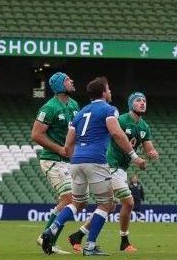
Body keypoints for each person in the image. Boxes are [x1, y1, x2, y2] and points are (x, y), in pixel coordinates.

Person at [40, 76, 146, 256]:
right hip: (96, 161)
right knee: (106, 205)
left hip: (76, 162)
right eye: (109, 89)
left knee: (78, 203)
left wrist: (76, 159)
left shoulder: (80, 112)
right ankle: (90, 245)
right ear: (104, 92)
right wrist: (134, 156)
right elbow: (116, 133)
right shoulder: (109, 109)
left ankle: (53, 228)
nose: (111, 92)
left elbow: (68, 143)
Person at [68, 91, 159, 253]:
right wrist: (135, 157)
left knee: (109, 206)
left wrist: (152, 154)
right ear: (131, 104)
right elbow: (112, 134)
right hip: (111, 165)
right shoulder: (121, 119)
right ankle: (124, 241)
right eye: (138, 100)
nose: (142, 103)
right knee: (129, 202)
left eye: (144, 100)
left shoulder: (144, 126)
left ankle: (78, 235)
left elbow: (149, 148)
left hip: (122, 168)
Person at [30, 72, 80, 254]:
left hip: (68, 160)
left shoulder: (74, 105)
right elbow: (36, 134)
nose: (71, 81)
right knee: (70, 199)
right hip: (52, 159)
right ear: (59, 85)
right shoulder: (49, 107)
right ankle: (47, 240)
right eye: (68, 79)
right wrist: (58, 149)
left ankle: (47, 238)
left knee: (70, 201)